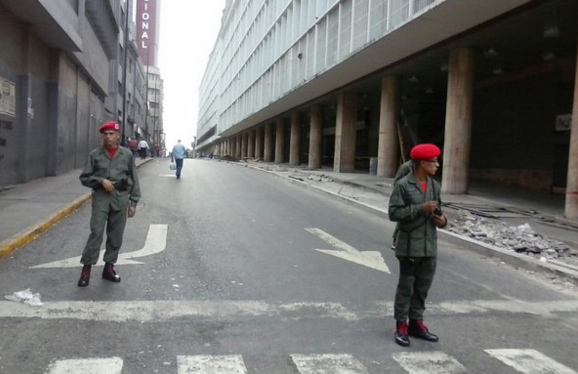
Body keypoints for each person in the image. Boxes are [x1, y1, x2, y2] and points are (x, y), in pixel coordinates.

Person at [388, 143, 447, 347]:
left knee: (422, 288)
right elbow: (394, 213)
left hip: (429, 245)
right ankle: (401, 326)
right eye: (434, 161)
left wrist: (442, 221)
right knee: (406, 288)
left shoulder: (434, 186)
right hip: (409, 245)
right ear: (423, 163)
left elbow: (440, 212)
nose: (437, 165)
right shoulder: (403, 185)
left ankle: (417, 323)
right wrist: (420, 208)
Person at [77, 121, 141, 287]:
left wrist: (133, 202)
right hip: (101, 198)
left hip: (120, 199)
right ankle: (86, 269)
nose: (108, 136)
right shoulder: (95, 155)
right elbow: (84, 178)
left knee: (115, 235)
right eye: (105, 134)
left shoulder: (126, 155)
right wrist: (100, 181)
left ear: (118, 136)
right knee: (96, 232)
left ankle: (109, 268)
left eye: (111, 133)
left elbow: (134, 179)